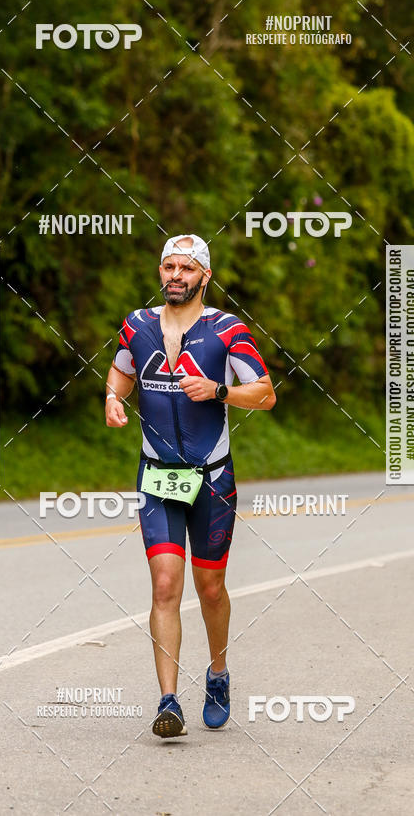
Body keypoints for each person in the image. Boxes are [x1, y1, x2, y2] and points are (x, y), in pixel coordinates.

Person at [104, 234, 276, 738]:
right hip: (156, 476)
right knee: (164, 586)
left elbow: (265, 394)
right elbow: (120, 375)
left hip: (212, 479)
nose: (175, 275)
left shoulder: (227, 331)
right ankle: (168, 701)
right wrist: (112, 401)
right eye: (168, 266)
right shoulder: (136, 325)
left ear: (205, 276)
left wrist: (219, 390)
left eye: (186, 268)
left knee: (210, 588)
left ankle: (218, 673)